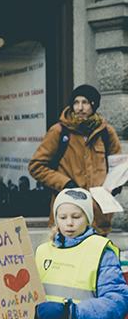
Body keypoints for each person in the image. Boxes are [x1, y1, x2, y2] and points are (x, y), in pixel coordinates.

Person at [33, 188, 128, 319]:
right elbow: (29, 297)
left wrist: (70, 312)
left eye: (76, 217)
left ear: (88, 218)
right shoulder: (42, 251)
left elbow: (117, 301)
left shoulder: (101, 250)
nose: (69, 223)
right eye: (62, 216)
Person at [29, 85, 122, 235]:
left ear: (94, 105)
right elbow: (36, 166)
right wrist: (65, 184)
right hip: (67, 217)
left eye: (85, 102)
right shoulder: (59, 131)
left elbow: (118, 167)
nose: (79, 108)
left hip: (98, 217)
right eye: (76, 102)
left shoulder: (106, 133)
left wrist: (115, 186)